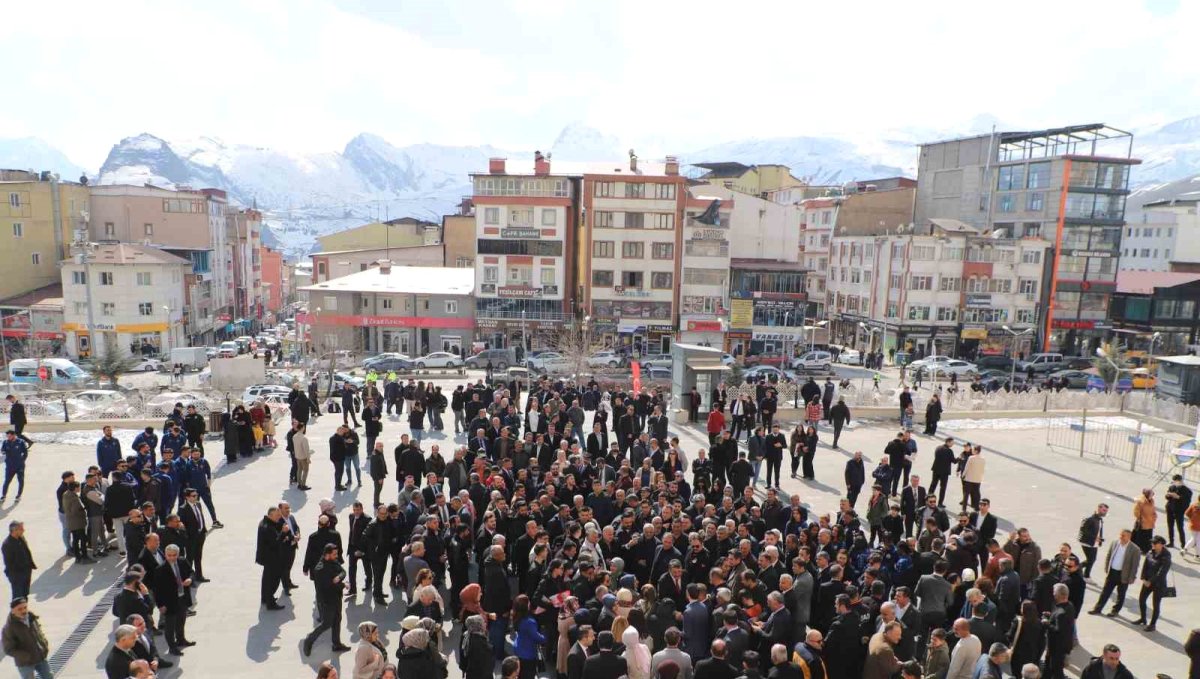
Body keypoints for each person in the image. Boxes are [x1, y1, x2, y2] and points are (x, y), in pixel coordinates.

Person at [303, 544, 351, 656]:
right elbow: (329, 585)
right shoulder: (320, 569)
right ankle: (309, 640)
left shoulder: (333, 561)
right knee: (327, 623)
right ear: (327, 555)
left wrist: (338, 578)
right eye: (334, 554)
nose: (337, 556)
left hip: (336, 597)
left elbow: (343, 571)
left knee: (337, 620)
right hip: (326, 600)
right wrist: (343, 584)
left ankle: (336, 644)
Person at [1087, 528, 1140, 617]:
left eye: (1123, 535)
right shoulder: (1115, 543)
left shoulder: (1135, 549)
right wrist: (1107, 567)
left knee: (1121, 594)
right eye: (1120, 535)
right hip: (1112, 573)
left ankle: (1115, 611)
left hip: (1124, 575)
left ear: (1129, 537)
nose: (1121, 537)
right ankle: (1097, 609)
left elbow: (1135, 565)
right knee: (1105, 592)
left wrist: (1132, 577)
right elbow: (1109, 555)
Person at [152, 544, 194, 656]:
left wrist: (190, 579)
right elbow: (157, 590)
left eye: (174, 555)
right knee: (170, 626)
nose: (171, 558)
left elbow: (191, 572)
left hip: (182, 598)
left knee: (181, 620)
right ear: (165, 555)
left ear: (178, 554)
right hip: (169, 602)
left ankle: (181, 640)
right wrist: (160, 605)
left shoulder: (182, 561)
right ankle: (172, 647)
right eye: (169, 555)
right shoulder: (160, 569)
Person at [2, 597, 52, 679]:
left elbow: (39, 632)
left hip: (40, 657)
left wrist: (44, 644)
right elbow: (8, 649)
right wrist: (25, 656)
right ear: (13, 611)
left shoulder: (32, 618)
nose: (24, 611)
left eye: (25, 607)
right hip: (25, 663)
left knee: (49, 677)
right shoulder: (9, 628)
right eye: (20, 609)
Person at [1135, 535, 1171, 632]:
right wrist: (1143, 578)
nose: (1152, 545)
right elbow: (1145, 566)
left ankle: (1152, 624)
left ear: (1161, 544)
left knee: (1156, 604)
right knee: (1141, 599)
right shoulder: (1150, 552)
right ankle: (1143, 618)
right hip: (1147, 582)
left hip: (1158, 584)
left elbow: (1162, 572)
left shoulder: (1166, 556)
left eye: (1155, 543)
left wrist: (1150, 581)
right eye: (1152, 543)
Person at [256, 507, 288, 610]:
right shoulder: (267, 528)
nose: (279, 517)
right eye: (277, 515)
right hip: (271, 559)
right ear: (270, 515)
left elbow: (275, 525)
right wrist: (283, 533)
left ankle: (265, 598)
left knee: (266, 579)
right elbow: (275, 543)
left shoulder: (266, 522)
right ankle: (270, 603)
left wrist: (280, 528)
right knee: (273, 580)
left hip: (267, 557)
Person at [2, 521, 35, 599]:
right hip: (17, 575)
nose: (23, 530)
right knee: (18, 598)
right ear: (15, 530)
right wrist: (15, 576)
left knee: (25, 595)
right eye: (21, 529)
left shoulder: (21, 538)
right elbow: (9, 563)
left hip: (26, 571)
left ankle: (24, 610)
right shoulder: (7, 544)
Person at [1077, 503, 1108, 578]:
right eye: (1104, 510)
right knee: (1091, 560)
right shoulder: (1090, 519)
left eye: (1106, 511)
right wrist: (1095, 538)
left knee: (1091, 560)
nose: (1105, 512)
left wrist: (1100, 538)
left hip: (1094, 542)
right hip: (1087, 542)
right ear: (1098, 508)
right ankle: (1084, 574)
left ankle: (1081, 571)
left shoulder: (1099, 519)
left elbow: (1098, 531)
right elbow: (1083, 530)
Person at [1166, 474, 1193, 549]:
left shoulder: (1186, 490)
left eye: (1176, 481)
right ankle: (1171, 542)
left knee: (1180, 528)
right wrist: (1169, 495)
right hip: (1170, 509)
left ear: (1180, 481)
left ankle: (1183, 544)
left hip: (1179, 511)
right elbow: (1167, 496)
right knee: (1170, 526)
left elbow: (1187, 501)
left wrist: (1178, 497)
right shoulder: (1172, 487)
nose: (1175, 483)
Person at [1, 430, 30, 501]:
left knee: (20, 481)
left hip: (19, 466)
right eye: (7, 436)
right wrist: (3, 452)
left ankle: (18, 495)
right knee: (7, 481)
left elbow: (25, 453)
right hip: (10, 466)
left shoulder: (21, 442)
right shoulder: (5, 442)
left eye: (10, 436)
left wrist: (22, 461)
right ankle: (3, 496)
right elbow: (2, 450)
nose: (8, 437)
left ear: (14, 435)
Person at [1132, 487, 1156, 552]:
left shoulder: (1152, 501)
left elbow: (1153, 510)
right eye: (1151, 494)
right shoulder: (1141, 501)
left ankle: (1146, 549)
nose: (1152, 495)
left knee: (1148, 537)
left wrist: (1154, 517)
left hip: (1150, 522)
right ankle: (1137, 549)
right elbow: (1136, 512)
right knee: (1140, 537)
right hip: (1143, 522)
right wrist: (1141, 518)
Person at [293, 423, 313, 490]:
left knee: (299, 470)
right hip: (303, 457)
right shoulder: (304, 438)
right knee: (305, 470)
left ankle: (299, 483)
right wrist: (308, 458)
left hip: (297, 456)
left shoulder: (294, 436)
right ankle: (303, 485)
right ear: (302, 428)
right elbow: (306, 449)